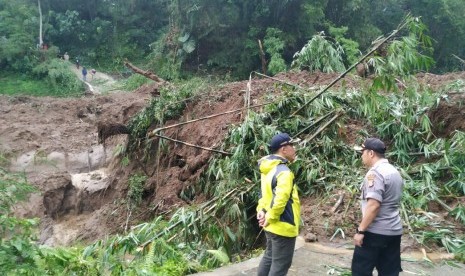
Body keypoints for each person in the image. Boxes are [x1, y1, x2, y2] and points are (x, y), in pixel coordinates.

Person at [352, 137, 404, 276]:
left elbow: (374, 205)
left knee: (360, 271)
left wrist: (361, 231)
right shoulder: (394, 171)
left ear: (371, 153)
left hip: (375, 233)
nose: (361, 156)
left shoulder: (375, 173)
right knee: (389, 272)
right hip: (394, 232)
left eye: (363, 152)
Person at [256, 132, 301, 276]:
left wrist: (262, 211)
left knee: (269, 258)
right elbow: (280, 200)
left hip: (270, 225)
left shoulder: (268, 169)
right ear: (284, 149)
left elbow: (264, 195)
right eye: (292, 145)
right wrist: (271, 217)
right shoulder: (284, 172)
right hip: (283, 226)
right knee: (280, 265)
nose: (294, 149)